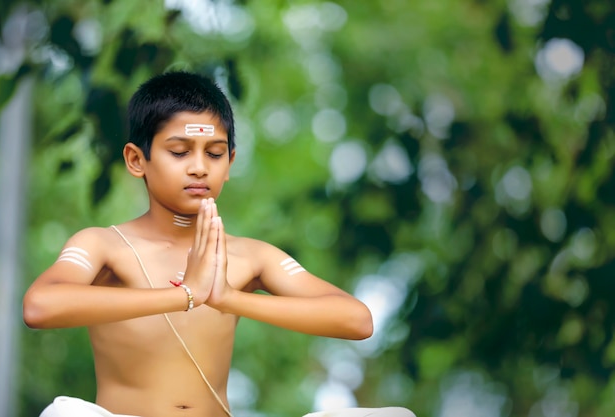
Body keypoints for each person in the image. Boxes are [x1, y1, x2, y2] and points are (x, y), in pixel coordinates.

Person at [23, 71, 415, 417]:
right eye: (179, 152)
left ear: (229, 163)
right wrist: (185, 294)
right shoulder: (102, 245)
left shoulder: (250, 256)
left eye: (214, 153)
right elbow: (40, 306)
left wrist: (227, 297)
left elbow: (357, 320)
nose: (199, 167)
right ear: (136, 159)